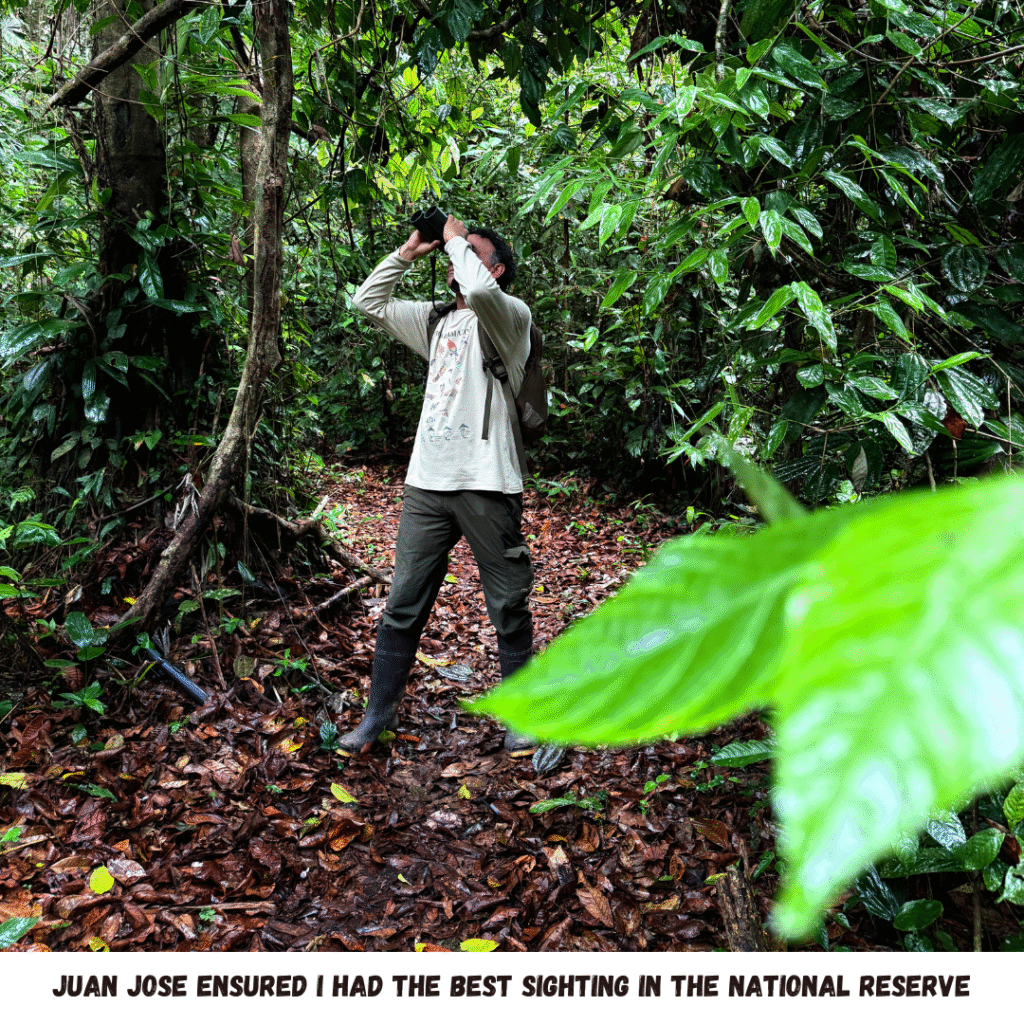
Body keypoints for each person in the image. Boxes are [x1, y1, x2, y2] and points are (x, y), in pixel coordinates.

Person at [339, 214, 536, 753]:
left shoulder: (510, 317)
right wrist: (409, 252)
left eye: (473, 251)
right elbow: (366, 304)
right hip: (426, 481)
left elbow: (476, 285)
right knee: (403, 601)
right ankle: (376, 717)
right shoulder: (436, 321)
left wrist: (455, 238)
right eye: (457, 252)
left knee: (508, 602)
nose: (458, 258)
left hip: (487, 480)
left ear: (495, 268)